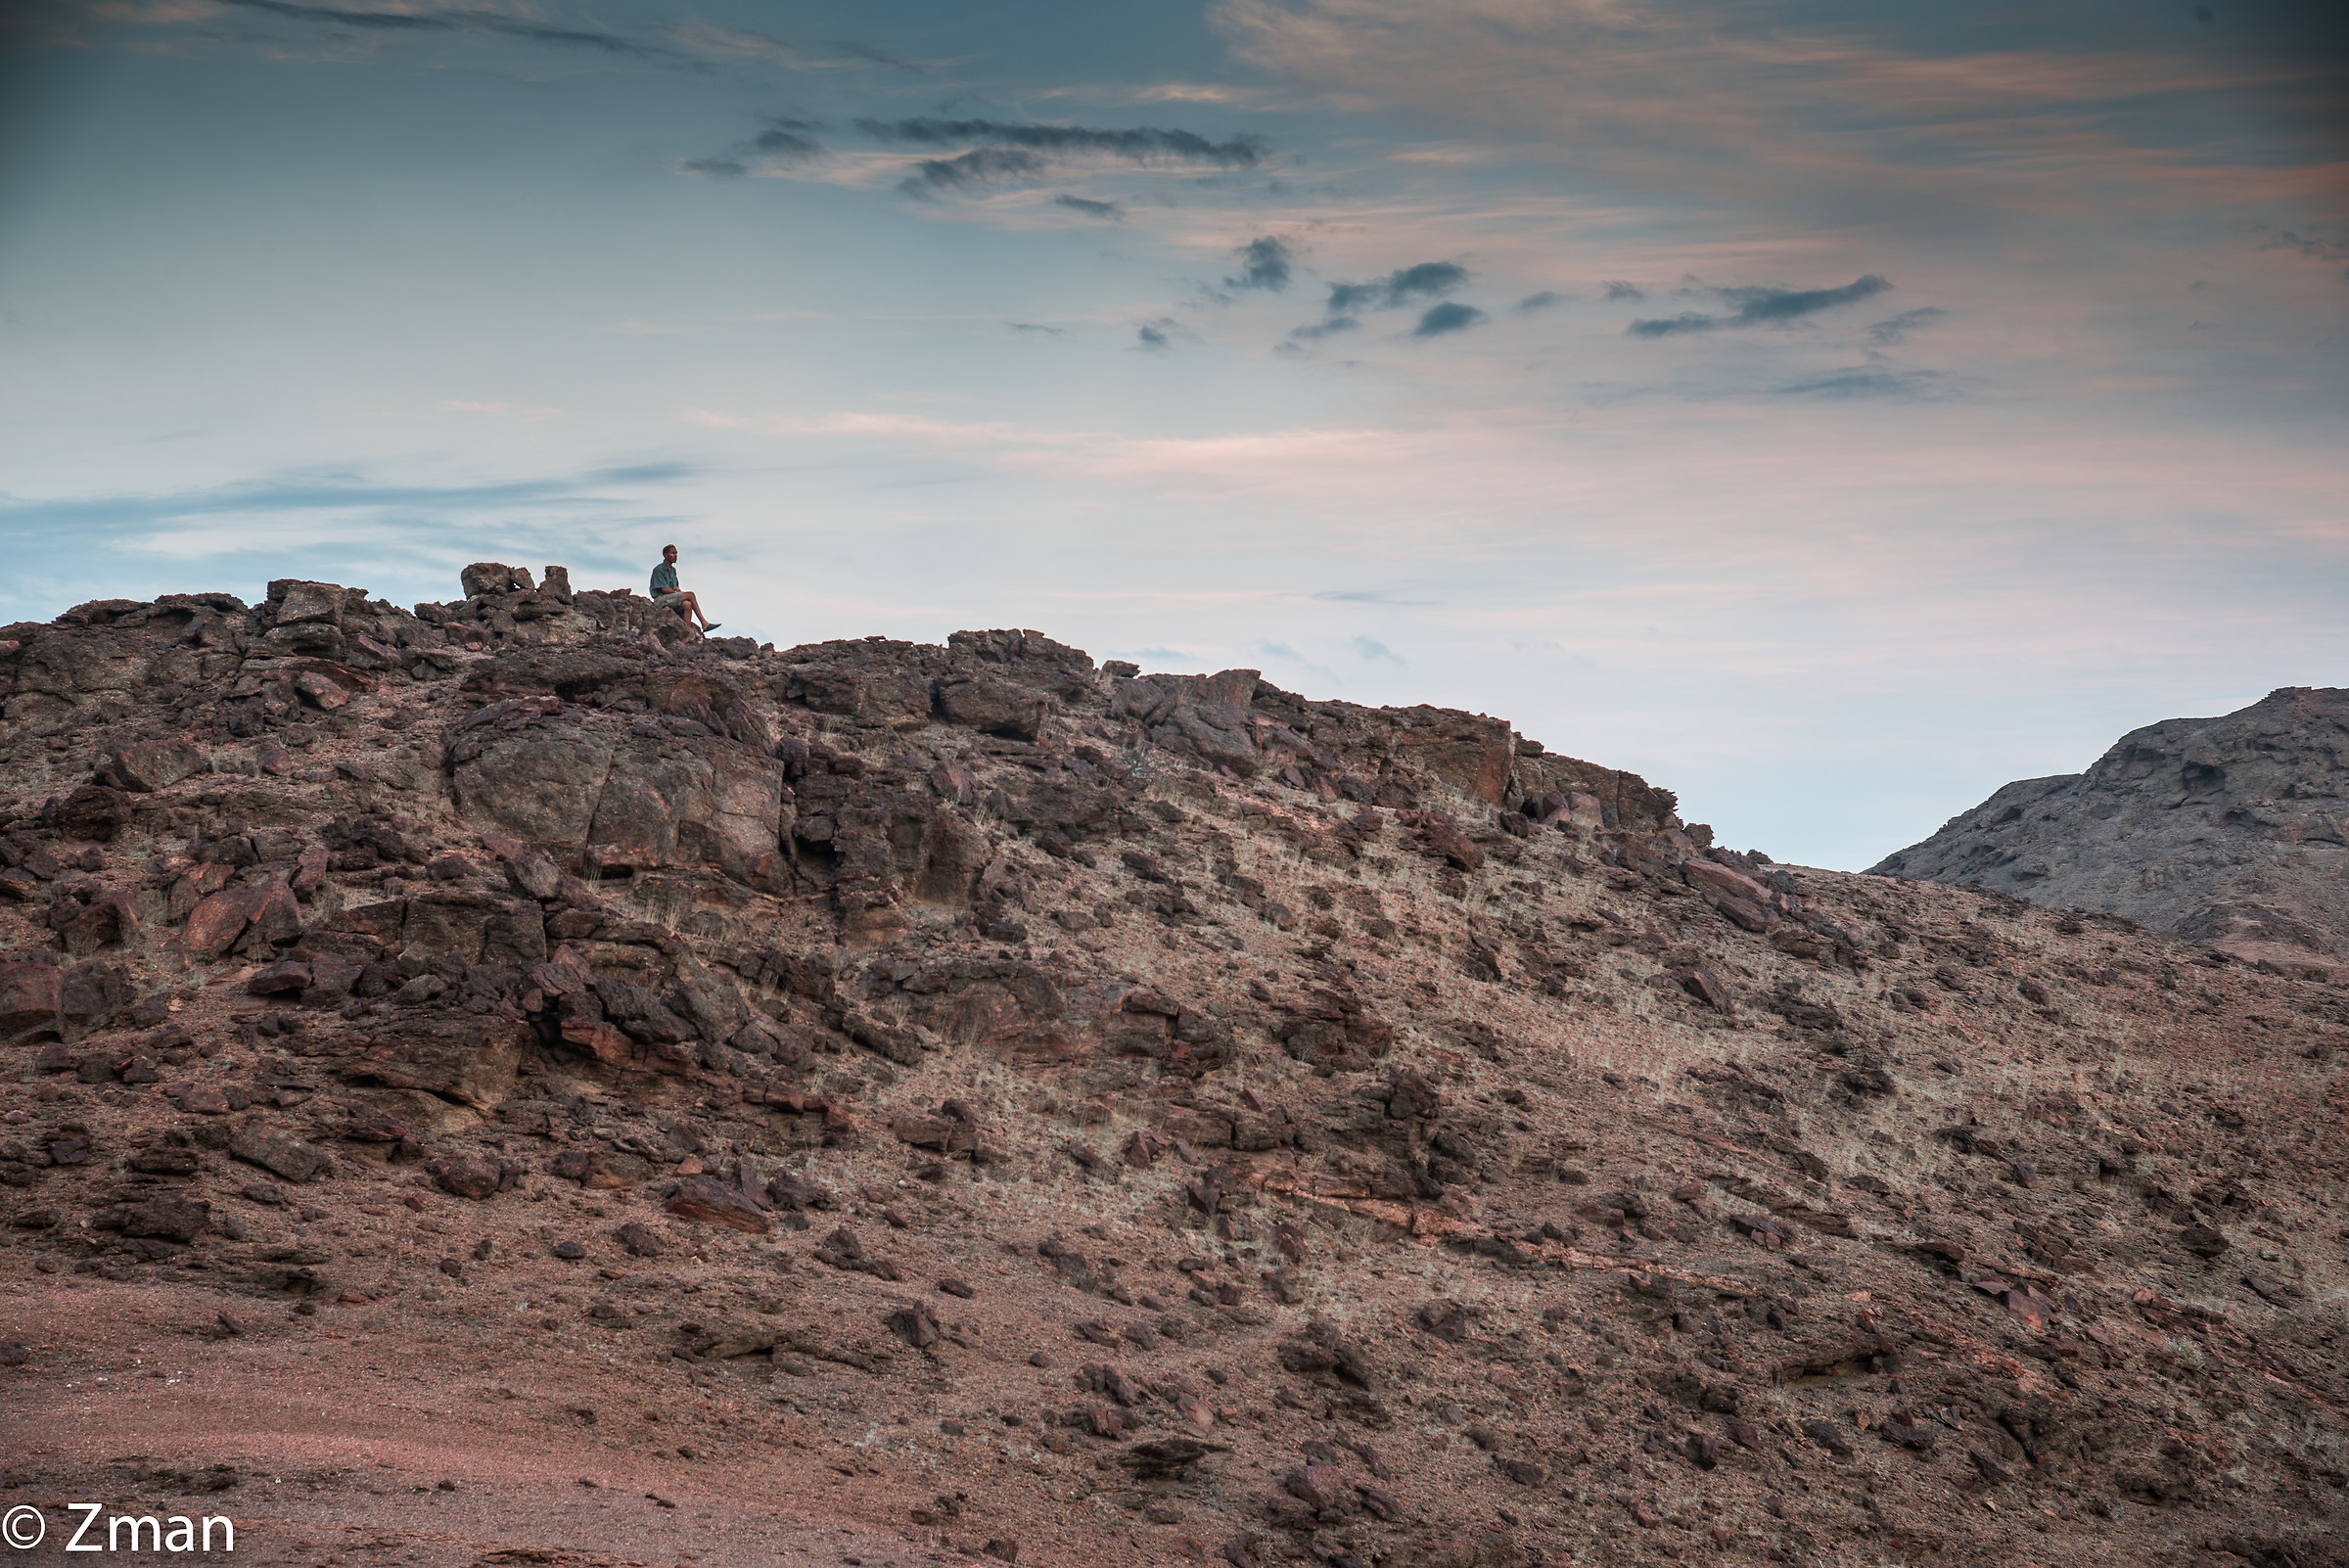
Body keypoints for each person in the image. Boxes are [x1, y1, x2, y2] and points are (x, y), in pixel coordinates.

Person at [648, 544, 719, 633]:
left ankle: (686, 632)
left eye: (676, 553)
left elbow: (675, 588)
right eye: (672, 553)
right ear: (665, 555)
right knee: (691, 595)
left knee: (687, 604)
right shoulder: (659, 569)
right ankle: (704, 623)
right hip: (661, 600)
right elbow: (664, 589)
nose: (675, 555)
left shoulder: (673, 570)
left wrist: (677, 590)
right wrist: (675, 591)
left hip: (671, 598)